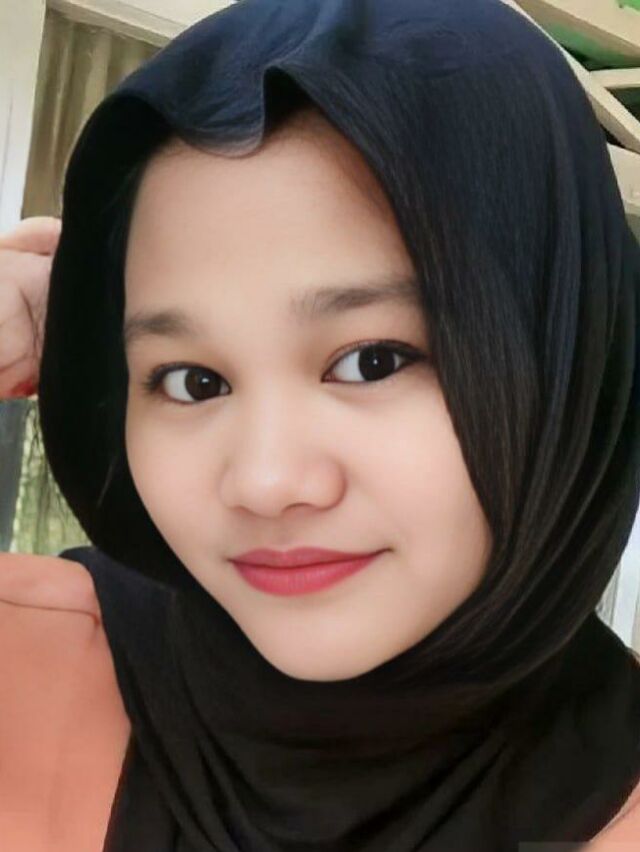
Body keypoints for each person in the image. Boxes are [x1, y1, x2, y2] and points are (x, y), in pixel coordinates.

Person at [1, 0, 639, 849]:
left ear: (569, 358)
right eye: (192, 381)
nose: (266, 482)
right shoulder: (24, 669)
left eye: (373, 361)